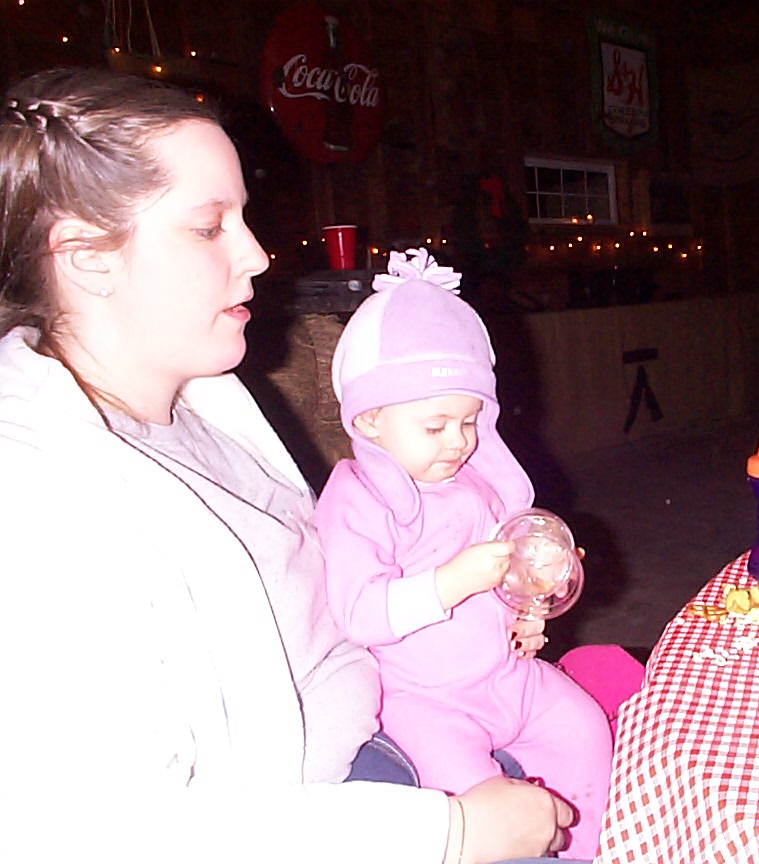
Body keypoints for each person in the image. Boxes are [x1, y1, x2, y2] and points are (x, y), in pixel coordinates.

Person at [0, 67, 580, 863]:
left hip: (395, 718)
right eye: (209, 227)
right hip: (321, 817)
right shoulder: (34, 500)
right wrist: (454, 832)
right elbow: (103, 832)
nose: (257, 255)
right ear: (85, 257)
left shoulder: (200, 399)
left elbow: (329, 586)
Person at [313, 248, 614, 860]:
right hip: (424, 701)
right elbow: (361, 612)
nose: (458, 442)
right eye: (435, 426)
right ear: (369, 421)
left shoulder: (477, 483)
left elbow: (513, 570)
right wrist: (453, 580)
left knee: (584, 729)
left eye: (471, 422)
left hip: (508, 675)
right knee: (475, 806)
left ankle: (586, 851)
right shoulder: (359, 496)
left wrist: (534, 600)